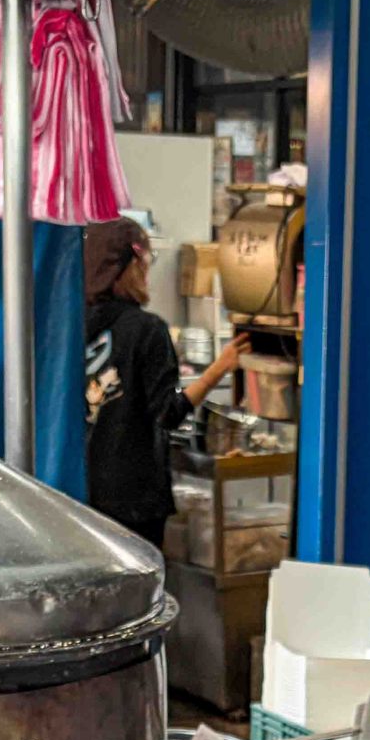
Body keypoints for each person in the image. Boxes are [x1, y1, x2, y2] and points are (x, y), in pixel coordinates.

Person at [82, 215, 245, 549]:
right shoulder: (146, 330)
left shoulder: (68, 327)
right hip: (135, 497)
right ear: (129, 266)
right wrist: (220, 368)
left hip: (80, 493)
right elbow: (168, 413)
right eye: (146, 261)